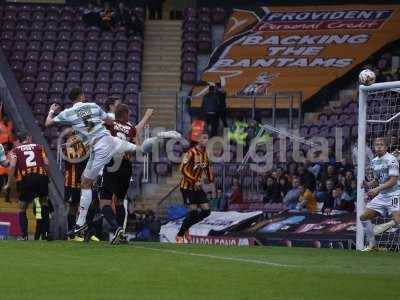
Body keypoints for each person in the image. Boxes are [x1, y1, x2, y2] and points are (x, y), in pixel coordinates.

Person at [45, 87, 180, 242]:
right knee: (140, 150)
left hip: (99, 147)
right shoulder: (93, 106)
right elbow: (110, 120)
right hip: (112, 142)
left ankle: (80, 224)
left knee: (86, 183)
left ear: (72, 99)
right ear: (82, 96)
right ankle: (160, 138)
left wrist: (51, 111)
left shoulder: (67, 113)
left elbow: (48, 123)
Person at [100, 104, 153, 237]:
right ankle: (121, 233)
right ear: (126, 115)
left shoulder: (109, 124)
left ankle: (116, 228)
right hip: (126, 166)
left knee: (105, 202)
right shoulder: (130, 128)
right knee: (119, 201)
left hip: (112, 163)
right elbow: (138, 149)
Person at [4, 133, 48, 240]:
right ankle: (45, 234)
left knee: (22, 207)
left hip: (27, 179)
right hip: (41, 177)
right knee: (42, 205)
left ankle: (24, 236)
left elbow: (13, 165)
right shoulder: (39, 147)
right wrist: (47, 177)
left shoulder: (16, 150)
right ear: (29, 138)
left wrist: (9, 183)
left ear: (19, 140)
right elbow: (46, 163)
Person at [360, 137, 400, 251]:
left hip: (394, 194)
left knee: (398, 221)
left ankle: (384, 226)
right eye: (376, 144)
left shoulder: (391, 159)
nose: (378, 146)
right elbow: (378, 180)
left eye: (381, 144)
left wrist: (376, 189)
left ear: (386, 147)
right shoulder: (374, 161)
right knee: (363, 217)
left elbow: (393, 180)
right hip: (382, 195)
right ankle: (372, 245)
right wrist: (368, 184)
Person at [176, 131, 215, 243]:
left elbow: (207, 168)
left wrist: (211, 181)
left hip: (197, 187)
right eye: (203, 138)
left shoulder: (205, 153)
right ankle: (180, 235)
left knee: (206, 211)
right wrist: (194, 180)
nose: (206, 140)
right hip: (187, 187)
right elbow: (182, 169)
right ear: (198, 140)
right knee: (193, 212)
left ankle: (186, 226)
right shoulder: (191, 153)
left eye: (207, 138)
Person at [62, 133, 89, 242]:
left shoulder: (81, 142)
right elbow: (73, 159)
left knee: (81, 206)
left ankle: (80, 233)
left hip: (80, 180)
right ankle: (72, 234)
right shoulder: (71, 143)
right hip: (72, 181)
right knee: (73, 206)